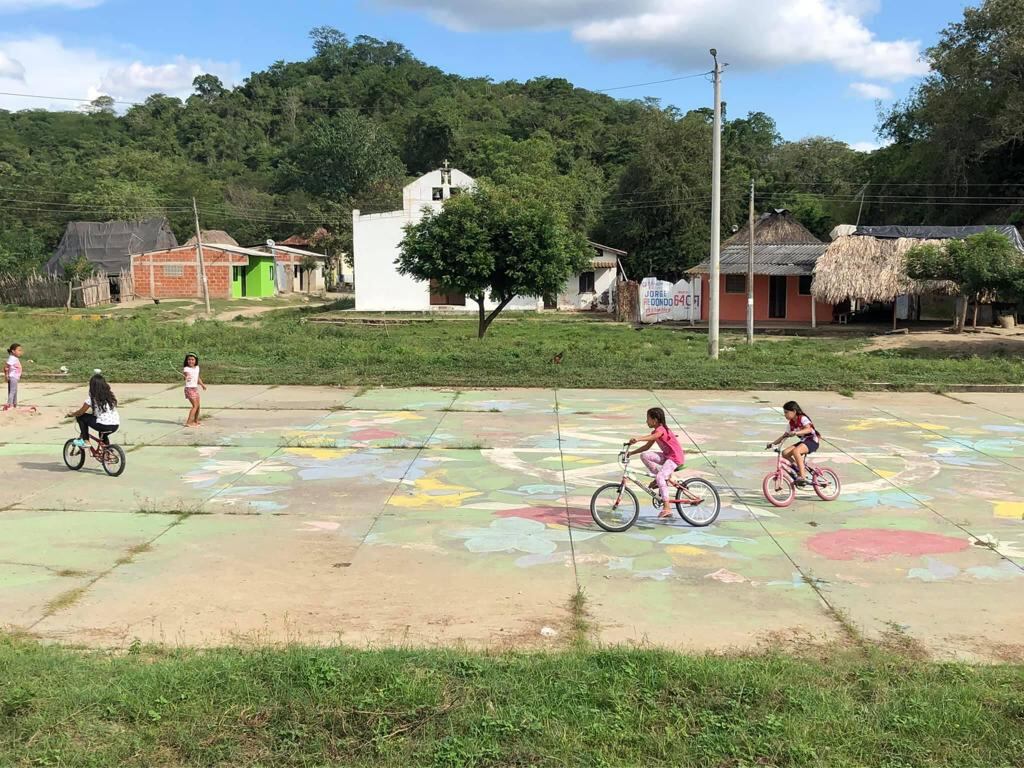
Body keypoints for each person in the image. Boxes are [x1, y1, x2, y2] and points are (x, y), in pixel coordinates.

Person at [626, 407, 686, 519]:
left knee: (660, 476)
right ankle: (660, 479)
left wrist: (638, 439)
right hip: (667, 456)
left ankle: (667, 507)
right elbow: (647, 446)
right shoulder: (655, 431)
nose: (646, 421)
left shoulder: (661, 430)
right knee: (644, 455)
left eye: (648, 418)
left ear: (655, 420)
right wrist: (631, 453)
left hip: (675, 458)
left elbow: (654, 436)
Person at [769, 400, 820, 485]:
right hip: (804, 441)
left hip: (812, 441)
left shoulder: (802, 418)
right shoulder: (791, 423)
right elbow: (784, 436)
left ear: (794, 411)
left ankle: (802, 476)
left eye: (786, 412)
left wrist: (796, 433)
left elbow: (809, 429)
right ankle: (798, 468)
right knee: (785, 453)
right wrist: (773, 444)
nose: (785, 415)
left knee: (796, 451)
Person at [67, 372, 120, 446]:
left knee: (81, 417)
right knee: (103, 435)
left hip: (103, 425)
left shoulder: (92, 398)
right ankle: (108, 452)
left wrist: (72, 414)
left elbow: (80, 412)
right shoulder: (109, 396)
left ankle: (86, 440)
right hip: (115, 425)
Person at [181, 353, 207, 427]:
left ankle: (195, 421)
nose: (190, 361)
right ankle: (189, 422)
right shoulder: (186, 368)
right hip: (189, 389)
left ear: (195, 361)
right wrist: (186, 377)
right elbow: (186, 374)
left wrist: (202, 385)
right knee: (195, 406)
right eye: (189, 359)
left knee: (198, 406)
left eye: (192, 359)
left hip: (195, 388)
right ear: (187, 361)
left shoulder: (197, 368)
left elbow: (197, 378)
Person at [4, 343, 22, 410]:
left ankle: (14, 405)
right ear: (13, 351)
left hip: (15, 377)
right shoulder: (12, 358)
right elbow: (6, 367)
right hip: (13, 377)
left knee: (14, 391)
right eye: (19, 350)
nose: (20, 352)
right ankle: (10, 405)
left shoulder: (14, 358)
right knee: (12, 391)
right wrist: (6, 376)